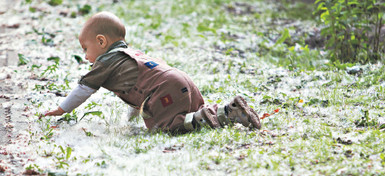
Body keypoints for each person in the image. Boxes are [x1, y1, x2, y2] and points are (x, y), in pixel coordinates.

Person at [45, 12, 261, 133]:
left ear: (101, 41)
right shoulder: (130, 54)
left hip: (165, 88)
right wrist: (130, 122)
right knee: (193, 110)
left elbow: (84, 89)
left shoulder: (105, 61)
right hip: (179, 79)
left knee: (169, 126)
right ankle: (229, 110)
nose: (85, 56)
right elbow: (137, 97)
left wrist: (61, 109)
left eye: (85, 48)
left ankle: (209, 117)